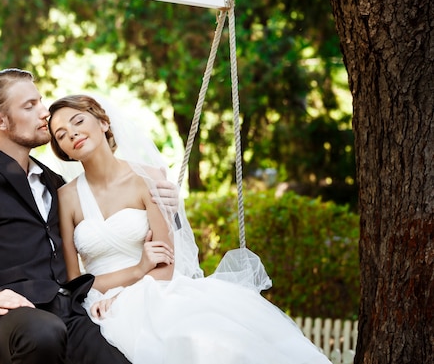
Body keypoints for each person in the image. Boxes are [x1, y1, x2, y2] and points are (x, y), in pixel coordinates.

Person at [0, 69, 179, 364]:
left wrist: (169, 204)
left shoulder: (55, 184)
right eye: (30, 106)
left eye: (40, 102)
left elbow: (120, 215)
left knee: (122, 354)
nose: (44, 113)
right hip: (10, 319)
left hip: (68, 310)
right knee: (45, 333)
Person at [47, 94, 333, 364]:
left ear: (103, 122)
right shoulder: (66, 197)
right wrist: (135, 271)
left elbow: (165, 268)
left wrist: (133, 286)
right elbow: (75, 281)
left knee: (204, 340)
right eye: (60, 135)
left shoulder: (148, 178)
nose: (71, 133)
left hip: (155, 289)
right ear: (63, 151)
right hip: (99, 300)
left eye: (78, 121)